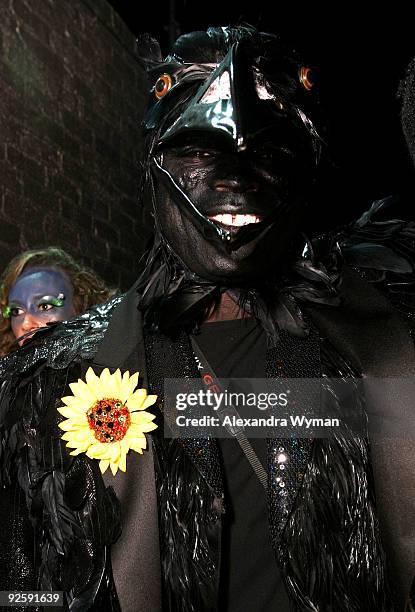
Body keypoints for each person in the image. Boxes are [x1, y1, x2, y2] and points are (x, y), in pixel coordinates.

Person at [1, 24, 414, 611]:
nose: (235, 179)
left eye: (269, 152)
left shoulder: (377, 333)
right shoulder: (54, 376)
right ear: (155, 165)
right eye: (199, 150)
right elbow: (30, 580)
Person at [0, 247, 116, 356]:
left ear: (80, 305)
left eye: (44, 306)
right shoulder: (9, 374)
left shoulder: (113, 369)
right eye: (16, 311)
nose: (26, 324)